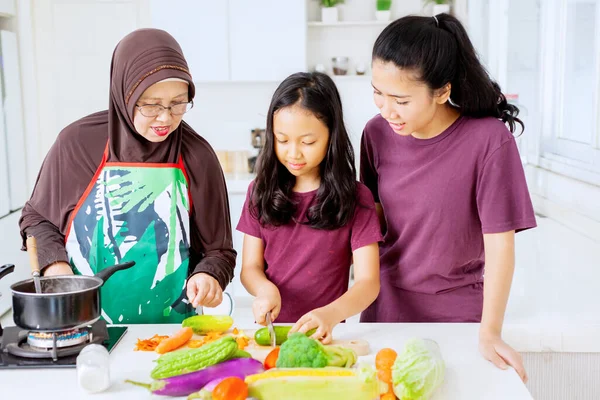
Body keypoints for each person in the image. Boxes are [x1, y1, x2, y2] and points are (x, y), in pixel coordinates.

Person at [360, 14, 536, 382]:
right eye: (377, 92)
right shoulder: (376, 133)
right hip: (383, 311)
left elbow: (500, 247)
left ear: (441, 91)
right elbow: (371, 224)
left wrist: (490, 331)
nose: (385, 109)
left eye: (401, 100)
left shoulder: (488, 141)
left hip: (457, 318)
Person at [19, 29, 236, 324]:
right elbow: (37, 218)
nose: (165, 117)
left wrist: (209, 276)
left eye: (178, 103)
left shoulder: (199, 156)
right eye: (151, 104)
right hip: (80, 322)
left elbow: (219, 251)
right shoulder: (77, 144)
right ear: (124, 94)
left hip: (172, 331)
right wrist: (57, 271)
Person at [237, 72, 381, 343]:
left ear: (331, 136)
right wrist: (265, 290)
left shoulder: (356, 197)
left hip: (328, 334)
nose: (293, 153)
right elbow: (250, 267)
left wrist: (331, 314)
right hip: (273, 332)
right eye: (282, 140)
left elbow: (368, 282)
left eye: (307, 142)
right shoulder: (259, 191)